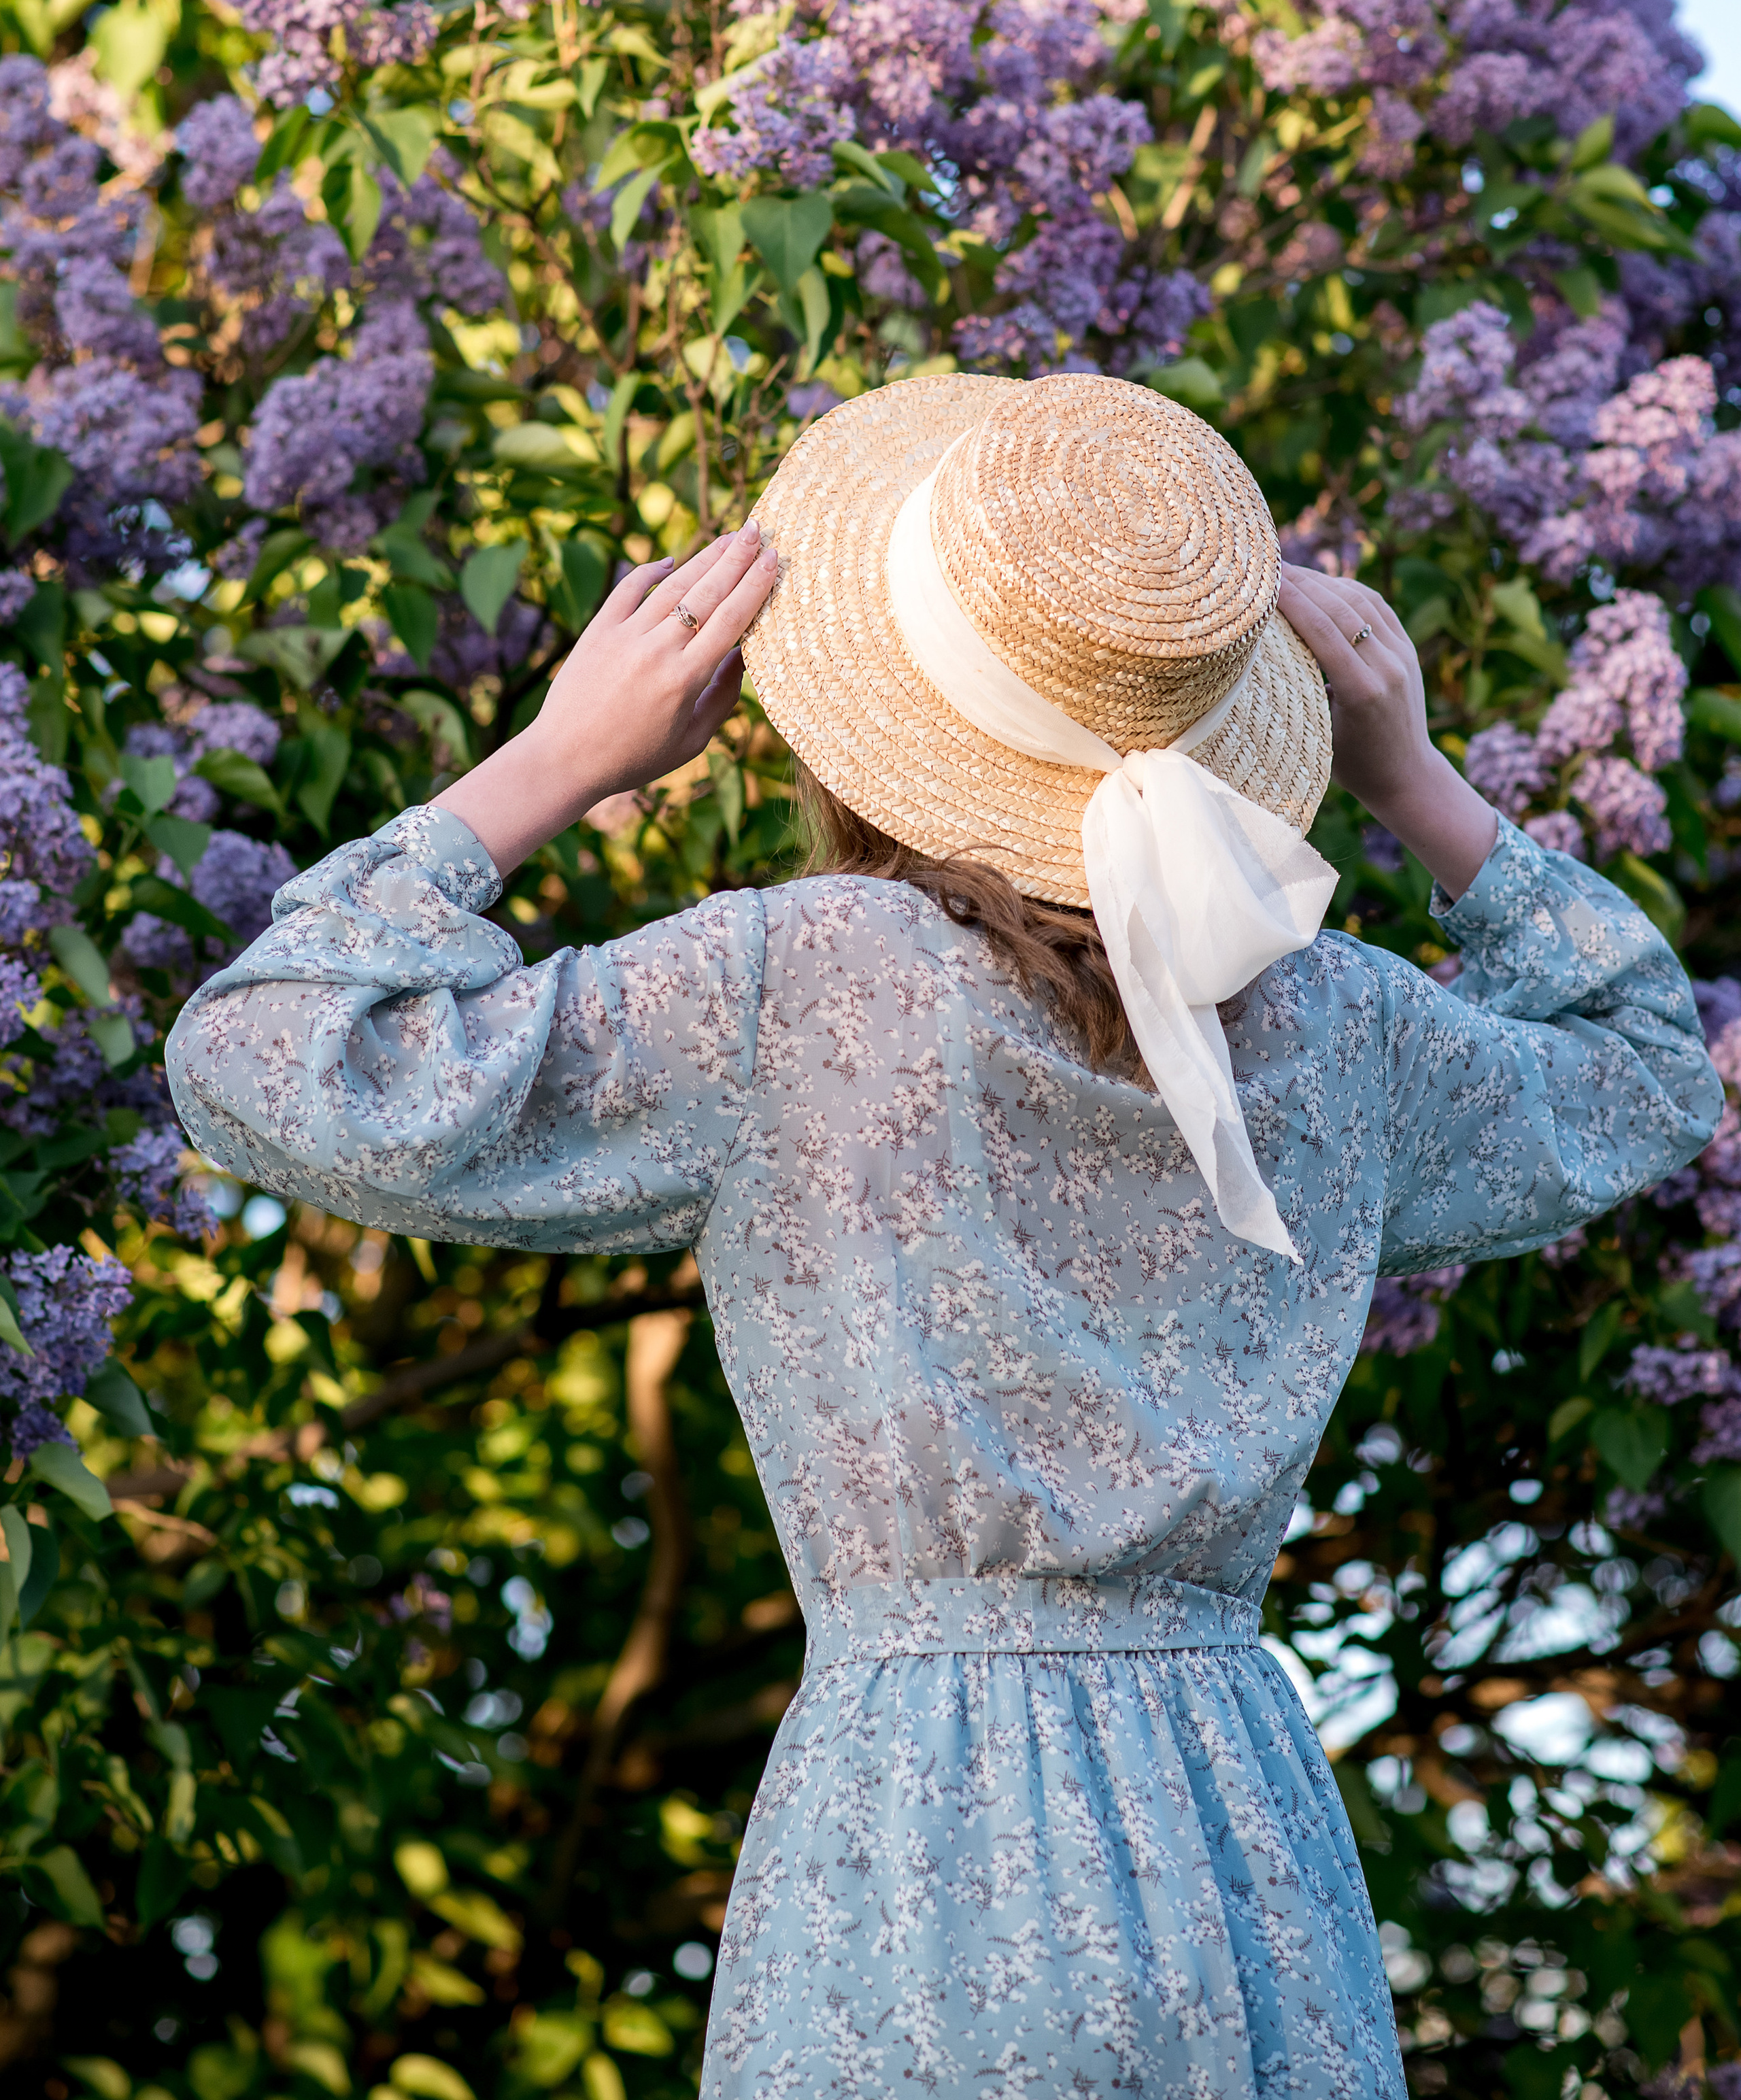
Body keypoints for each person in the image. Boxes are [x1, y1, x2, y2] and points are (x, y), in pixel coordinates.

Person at [167, 373, 1719, 2100]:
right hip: (1235, 1840)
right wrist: (1413, 780)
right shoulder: (1335, 1027)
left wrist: (558, 762)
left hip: (914, 1827)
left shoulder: (794, 986)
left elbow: (266, 1057)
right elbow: (1648, 1075)